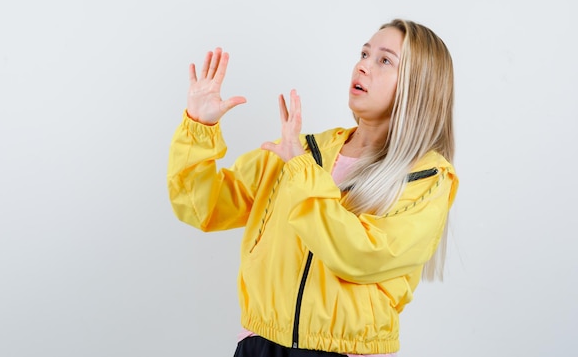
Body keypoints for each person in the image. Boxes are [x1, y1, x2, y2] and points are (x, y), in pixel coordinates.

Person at [167, 19, 459, 356]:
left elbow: (361, 254)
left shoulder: (427, 177)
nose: (363, 65)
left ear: (418, 87)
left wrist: (300, 170)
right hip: (260, 343)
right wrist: (200, 126)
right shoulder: (302, 151)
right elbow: (201, 206)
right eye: (363, 53)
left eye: (384, 60)